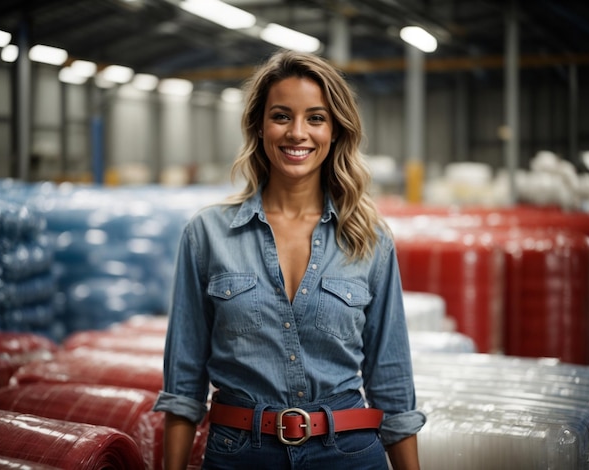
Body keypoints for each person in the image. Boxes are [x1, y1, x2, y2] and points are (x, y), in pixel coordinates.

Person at [153, 49, 426, 470]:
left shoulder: (369, 239)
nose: (298, 132)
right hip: (240, 454)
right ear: (259, 127)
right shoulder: (207, 234)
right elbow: (183, 382)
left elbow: (391, 380)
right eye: (282, 116)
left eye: (315, 118)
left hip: (349, 453)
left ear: (334, 131)